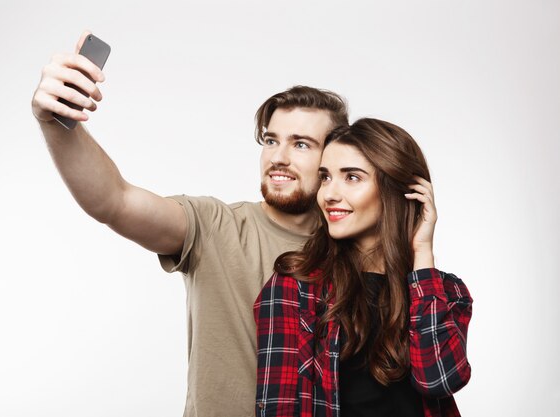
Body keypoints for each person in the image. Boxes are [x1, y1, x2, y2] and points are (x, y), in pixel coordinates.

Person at [31, 32, 349, 417]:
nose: (278, 157)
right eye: (270, 140)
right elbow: (113, 200)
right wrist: (54, 123)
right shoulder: (216, 226)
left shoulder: (356, 248)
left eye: (301, 144)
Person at [254, 118, 473, 417]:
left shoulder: (445, 292)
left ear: (398, 190)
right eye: (326, 177)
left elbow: (439, 380)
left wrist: (422, 252)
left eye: (352, 177)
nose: (329, 194)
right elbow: (280, 408)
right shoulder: (295, 287)